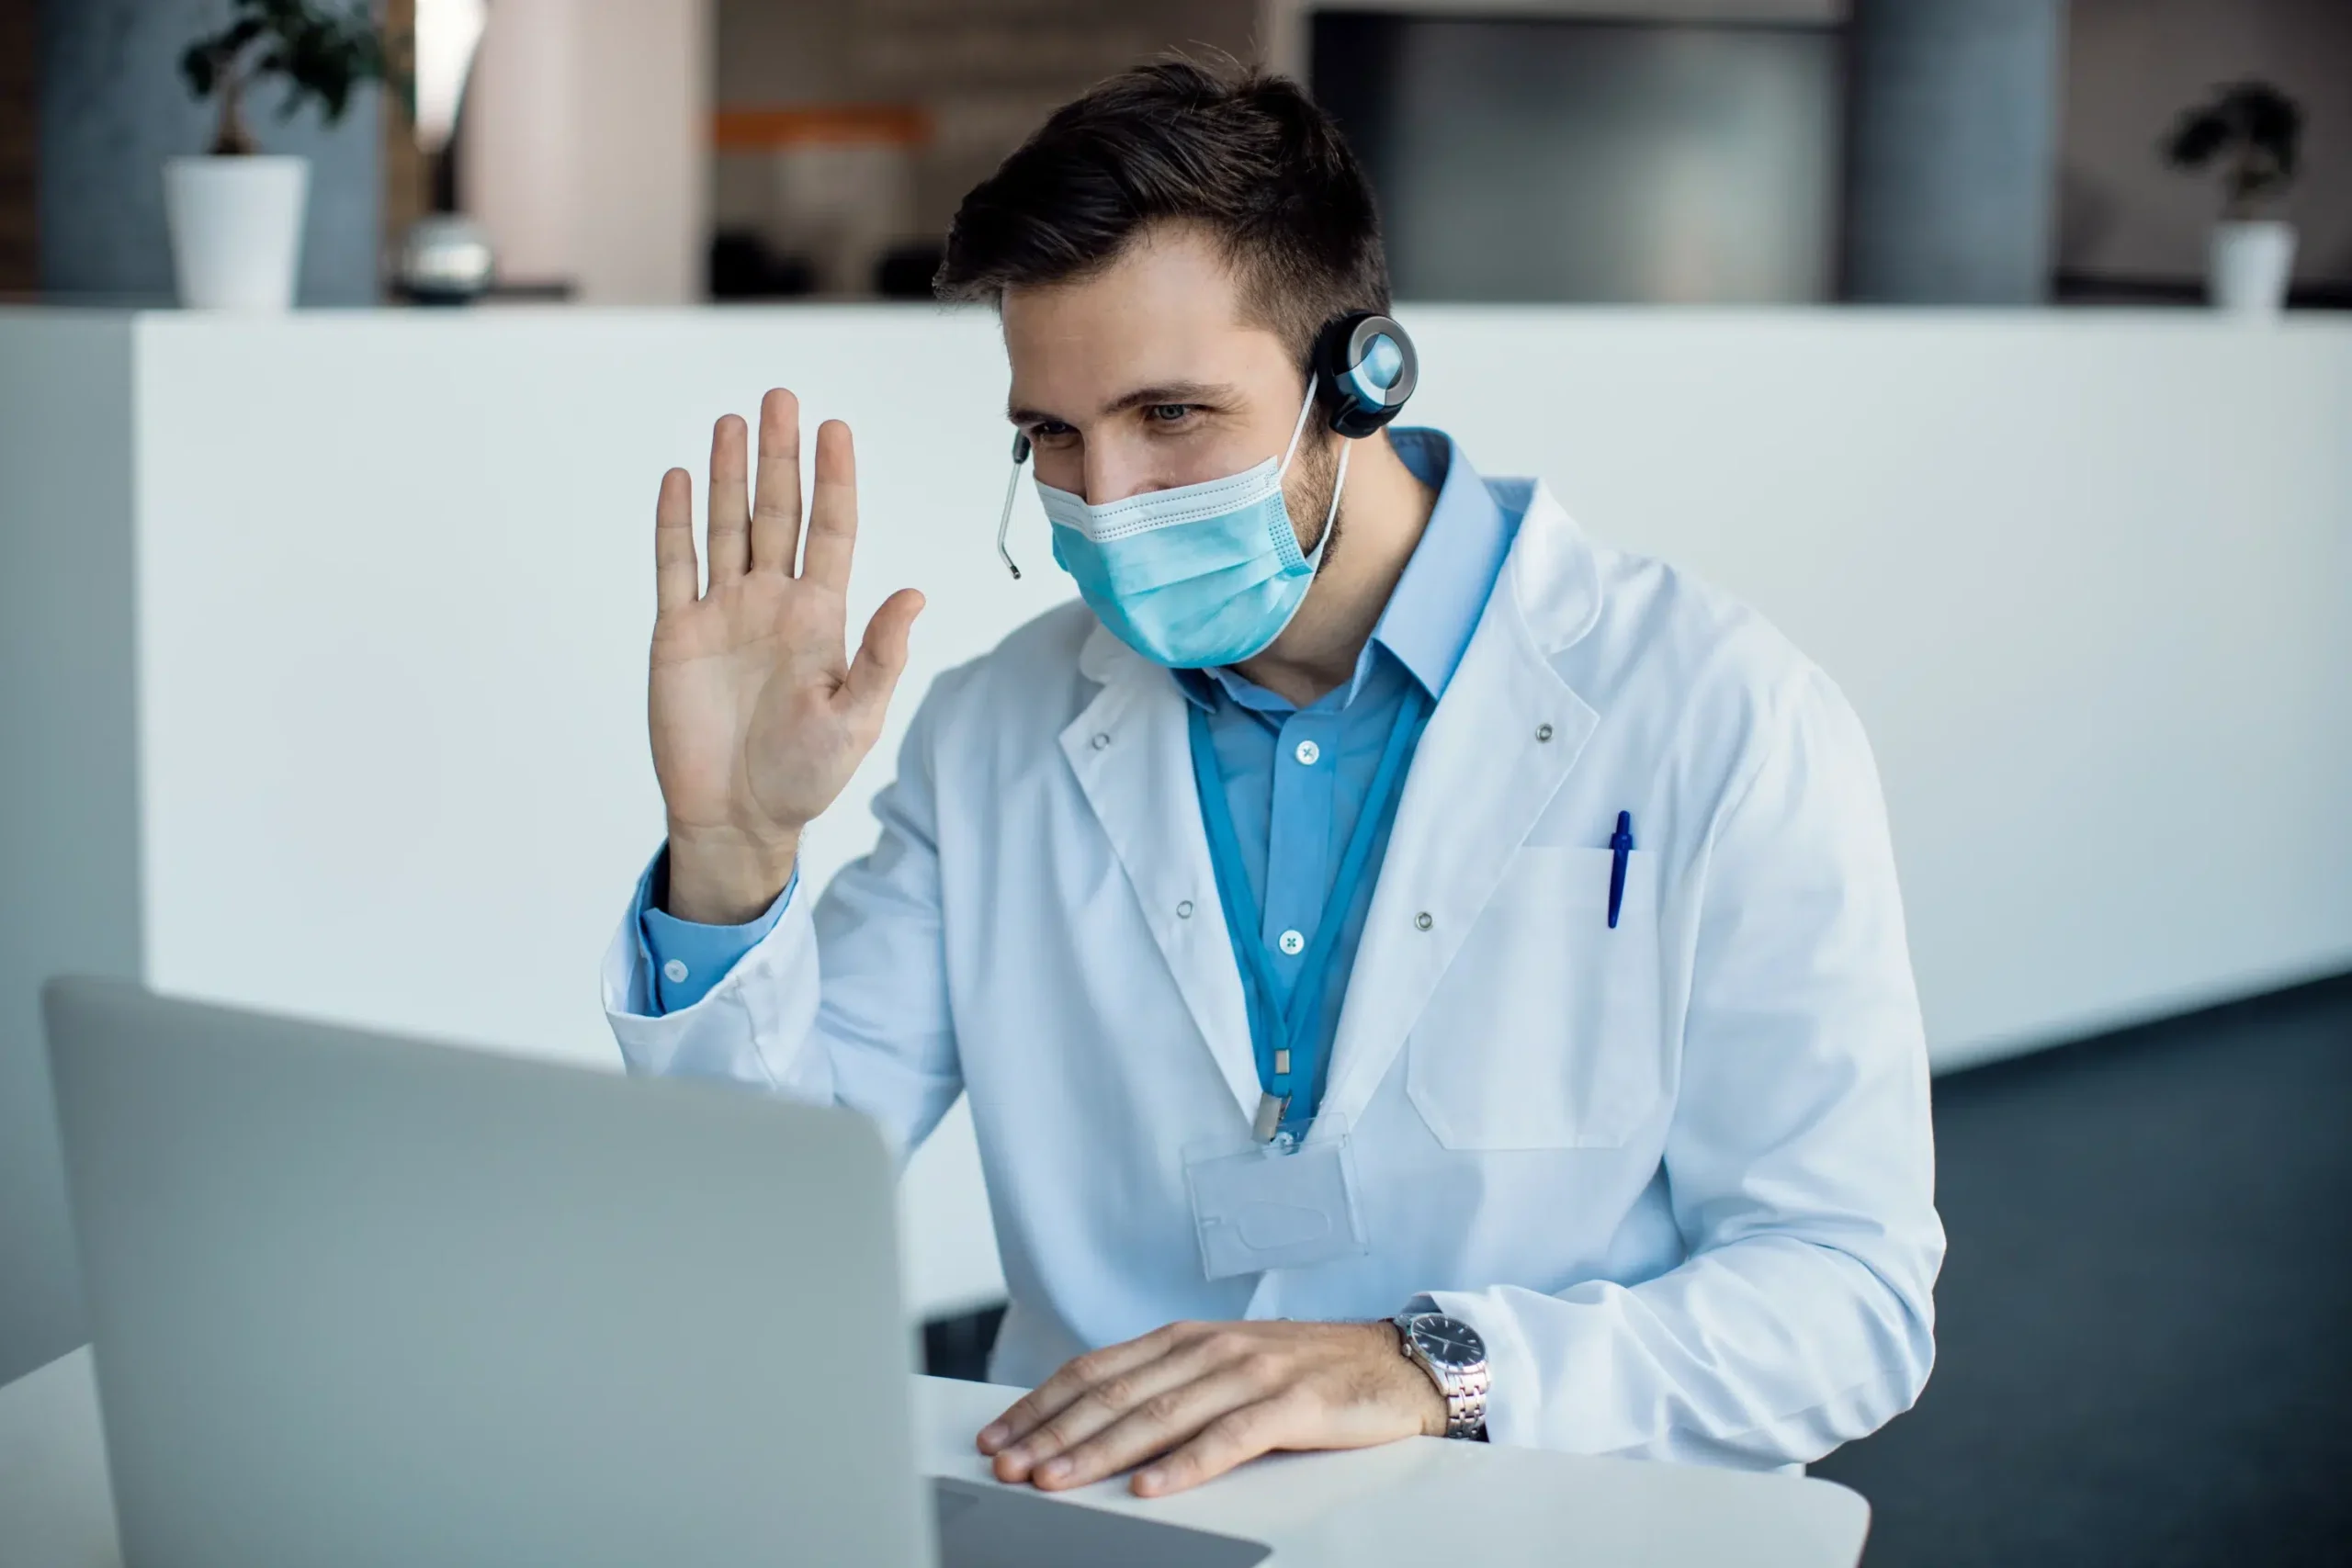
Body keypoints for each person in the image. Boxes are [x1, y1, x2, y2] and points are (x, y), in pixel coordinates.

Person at [602, 60, 1941, 1500]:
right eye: (1052, 432)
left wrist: (1434, 1364)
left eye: (1171, 414)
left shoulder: (1716, 712)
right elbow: (767, 1194)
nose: (1103, 499)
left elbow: (1847, 1300)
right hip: (1111, 1517)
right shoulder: (992, 733)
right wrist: (732, 848)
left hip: (1538, 1509)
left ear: (1358, 379)